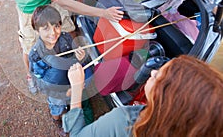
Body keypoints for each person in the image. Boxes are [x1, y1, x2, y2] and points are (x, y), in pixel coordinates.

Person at [62, 55, 223, 136]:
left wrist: (76, 89)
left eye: (160, 77)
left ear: (173, 103)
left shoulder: (124, 122)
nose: (153, 72)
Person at [29, 5, 92, 136]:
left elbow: (75, 60)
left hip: (70, 80)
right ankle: (57, 120)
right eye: (46, 28)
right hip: (54, 89)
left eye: (56, 26)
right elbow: (40, 83)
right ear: (37, 30)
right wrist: (63, 93)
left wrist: (80, 58)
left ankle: (71, 111)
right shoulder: (36, 54)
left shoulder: (65, 38)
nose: (53, 33)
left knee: (74, 101)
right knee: (57, 108)